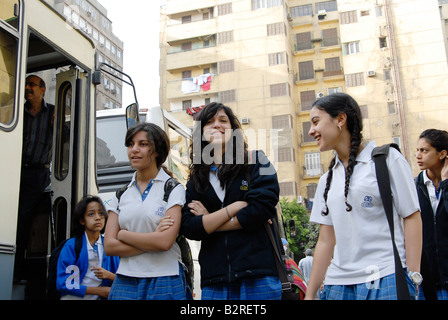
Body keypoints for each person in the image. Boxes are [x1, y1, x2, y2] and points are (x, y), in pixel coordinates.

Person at [304, 92, 422, 300]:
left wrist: (413, 275)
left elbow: (411, 216)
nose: (311, 131)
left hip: (386, 276)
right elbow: (325, 240)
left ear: (340, 119)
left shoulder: (387, 160)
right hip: (338, 284)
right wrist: (311, 293)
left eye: (316, 122)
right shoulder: (326, 180)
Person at [181, 102, 282, 300]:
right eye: (209, 122)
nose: (217, 125)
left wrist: (210, 220)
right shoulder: (195, 179)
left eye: (223, 120)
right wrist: (234, 208)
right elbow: (189, 227)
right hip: (215, 281)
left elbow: (261, 208)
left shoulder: (257, 160)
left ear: (233, 130)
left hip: (258, 274)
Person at [104, 122, 191, 300]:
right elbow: (109, 246)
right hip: (126, 279)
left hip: (165, 277)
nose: (134, 150)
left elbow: (165, 242)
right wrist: (152, 240)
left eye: (143, 144)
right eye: (130, 144)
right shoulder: (121, 194)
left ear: (157, 150)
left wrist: (124, 235)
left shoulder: (173, 188)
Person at [14, 75, 55, 282]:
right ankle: (15, 271)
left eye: (32, 85)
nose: (28, 88)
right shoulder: (17, 111)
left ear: (42, 90)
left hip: (40, 173)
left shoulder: (52, 112)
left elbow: (65, 136)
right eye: (26, 85)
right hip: (17, 171)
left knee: (29, 222)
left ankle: (24, 272)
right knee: (16, 221)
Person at [56, 195, 119, 300]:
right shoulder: (72, 246)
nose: (98, 217)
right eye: (91, 214)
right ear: (82, 220)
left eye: (101, 213)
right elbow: (64, 283)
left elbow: (122, 279)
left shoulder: (109, 246)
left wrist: (109, 275)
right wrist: (98, 291)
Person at [415, 129, 448, 300]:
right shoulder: (414, 188)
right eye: (417, 150)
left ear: (442, 154)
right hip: (424, 283)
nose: (418, 156)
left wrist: (446, 184)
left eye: (424, 150)